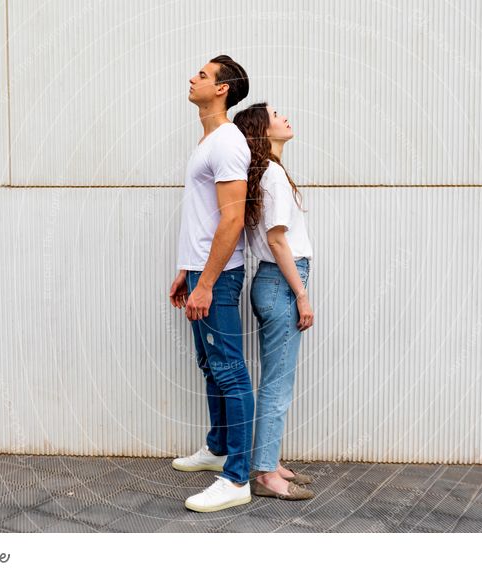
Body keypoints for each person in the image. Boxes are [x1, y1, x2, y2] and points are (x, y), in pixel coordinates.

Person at [168, 55, 254, 512]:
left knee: (230, 370)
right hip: (202, 270)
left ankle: (236, 477)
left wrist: (208, 283)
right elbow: (204, 220)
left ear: (222, 89)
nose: (192, 77)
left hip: (217, 275)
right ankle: (218, 447)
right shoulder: (207, 141)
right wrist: (187, 269)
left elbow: (233, 219)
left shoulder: (227, 142)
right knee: (211, 364)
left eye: (201, 74)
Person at [233, 102, 315, 500]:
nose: (285, 117)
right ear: (264, 132)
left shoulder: (263, 175)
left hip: (270, 282)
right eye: (276, 116)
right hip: (282, 283)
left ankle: (270, 459)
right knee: (278, 384)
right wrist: (301, 293)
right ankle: (265, 474)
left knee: (276, 380)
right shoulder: (273, 177)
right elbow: (277, 239)